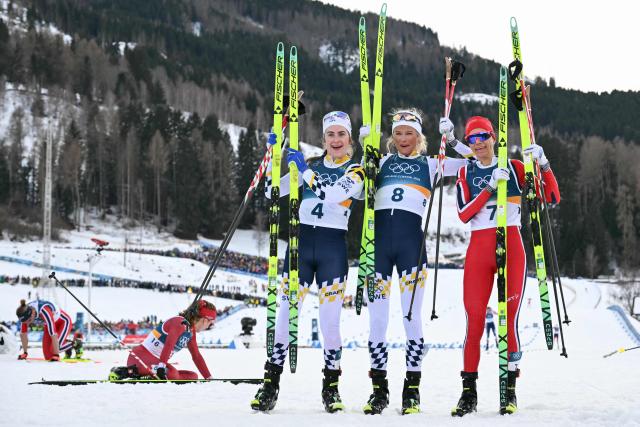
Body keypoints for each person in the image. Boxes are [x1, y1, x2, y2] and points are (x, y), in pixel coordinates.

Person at [361, 109, 473, 415]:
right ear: (391, 137)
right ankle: (379, 390)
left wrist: (453, 140)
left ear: (419, 137)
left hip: (412, 250)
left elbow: (475, 163)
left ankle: (412, 389)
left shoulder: (431, 164)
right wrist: (362, 153)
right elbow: (357, 188)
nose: (403, 139)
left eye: (409, 134)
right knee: (377, 322)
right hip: (378, 251)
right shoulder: (381, 162)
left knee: (412, 319)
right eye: (398, 133)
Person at [251, 111, 364, 413]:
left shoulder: (356, 172)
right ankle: (270, 384)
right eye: (330, 134)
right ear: (324, 138)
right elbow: (271, 191)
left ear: (349, 138)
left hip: (332, 252)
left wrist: (303, 171)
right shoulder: (309, 165)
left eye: (341, 134)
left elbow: (329, 195)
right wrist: (275, 157)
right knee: (286, 316)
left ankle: (331, 388)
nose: (336, 140)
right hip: (300, 249)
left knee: (329, 322)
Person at [449, 116, 560, 416]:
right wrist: (488, 188)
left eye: (484, 136)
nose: (479, 142)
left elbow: (551, 196)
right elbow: (463, 213)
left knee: (507, 321)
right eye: (472, 138)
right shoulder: (466, 172)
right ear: (469, 143)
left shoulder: (515, 167)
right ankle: (468, 392)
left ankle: (508, 389)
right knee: (473, 321)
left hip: (511, 246)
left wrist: (544, 163)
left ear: (494, 136)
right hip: (478, 251)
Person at [109, 299, 216, 381]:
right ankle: (123, 372)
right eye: (210, 322)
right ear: (204, 320)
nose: (210, 325)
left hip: (157, 363)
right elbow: (169, 344)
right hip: (140, 358)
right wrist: (162, 367)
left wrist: (208, 377)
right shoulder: (179, 323)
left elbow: (196, 356)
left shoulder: (190, 332)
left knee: (193, 376)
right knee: (172, 374)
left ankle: (152, 375)